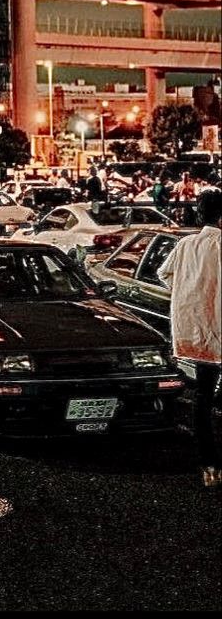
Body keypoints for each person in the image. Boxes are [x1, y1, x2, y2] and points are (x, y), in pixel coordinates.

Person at [158, 187, 222, 487]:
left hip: (197, 334)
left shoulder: (185, 244)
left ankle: (209, 465)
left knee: (203, 399)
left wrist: (190, 291)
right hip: (218, 329)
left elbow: (163, 274)